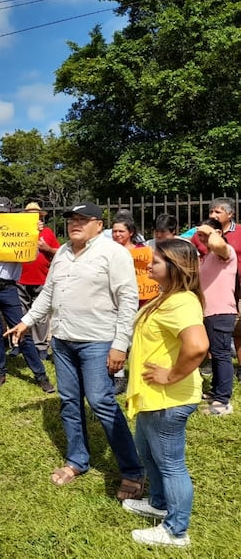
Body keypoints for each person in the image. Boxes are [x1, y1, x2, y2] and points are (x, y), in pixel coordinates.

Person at [6, 202, 144, 499]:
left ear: (99, 224)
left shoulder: (113, 253)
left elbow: (128, 299)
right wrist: (26, 321)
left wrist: (120, 344)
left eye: (83, 219)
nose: (75, 224)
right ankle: (77, 461)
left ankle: (132, 470)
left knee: (101, 401)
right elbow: (49, 293)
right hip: (63, 340)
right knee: (69, 401)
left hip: (98, 340)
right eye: (71, 219)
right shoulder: (64, 253)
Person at [123, 239, 208, 548]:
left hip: (169, 399)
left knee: (171, 464)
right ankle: (158, 503)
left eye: (156, 262)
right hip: (153, 397)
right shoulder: (166, 297)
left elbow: (198, 346)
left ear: (174, 268)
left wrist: (171, 375)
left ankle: (176, 530)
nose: (148, 265)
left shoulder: (182, 301)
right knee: (148, 454)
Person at [0, 197, 55, 393]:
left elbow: (37, 247)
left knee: (22, 331)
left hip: (8, 288)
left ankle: (41, 375)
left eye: (5, 213)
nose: (1, 216)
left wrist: (36, 230)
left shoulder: (21, 231)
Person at [190, 198, 241, 380]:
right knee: (217, 349)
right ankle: (217, 384)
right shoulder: (208, 252)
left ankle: (223, 393)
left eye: (217, 212)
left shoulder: (225, 245)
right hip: (211, 303)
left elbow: (220, 247)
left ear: (230, 214)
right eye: (211, 212)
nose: (213, 215)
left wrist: (210, 232)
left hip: (228, 298)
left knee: (230, 343)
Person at [194, 219, 236, 415]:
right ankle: (217, 392)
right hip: (209, 312)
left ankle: (223, 400)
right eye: (200, 234)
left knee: (221, 355)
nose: (201, 237)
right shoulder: (209, 256)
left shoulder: (225, 251)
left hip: (221, 312)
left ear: (217, 232)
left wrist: (211, 232)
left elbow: (218, 243)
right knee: (216, 354)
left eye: (206, 234)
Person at [17, 202, 60, 362]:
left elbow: (59, 251)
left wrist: (47, 248)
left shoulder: (48, 232)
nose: (33, 217)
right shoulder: (18, 231)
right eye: (30, 214)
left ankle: (41, 346)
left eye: (36, 215)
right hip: (20, 278)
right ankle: (22, 345)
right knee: (22, 314)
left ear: (41, 217)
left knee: (41, 315)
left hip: (42, 278)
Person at [110, 214, 147, 394]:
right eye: (114, 231)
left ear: (131, 232)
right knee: (118, 338)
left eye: (121, 231)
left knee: (137, 340)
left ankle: (140, 375)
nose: (117, 234)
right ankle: (119, 377)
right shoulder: (108, 250)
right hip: (115, 301)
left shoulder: (143, 252)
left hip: (141, 301)